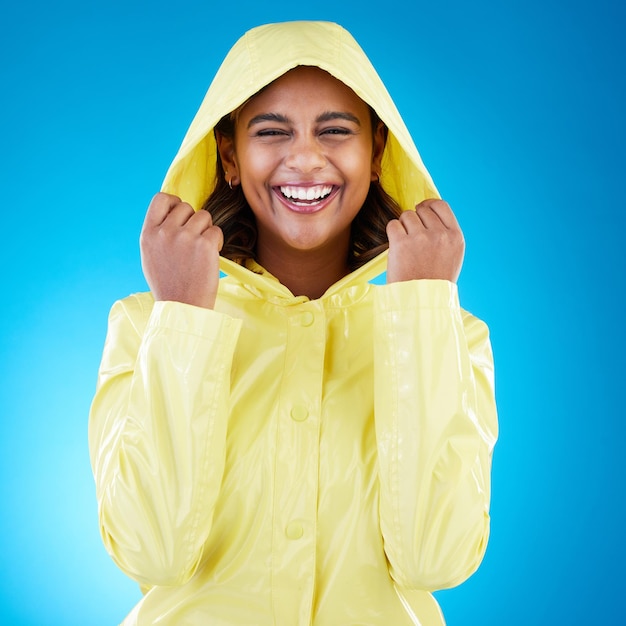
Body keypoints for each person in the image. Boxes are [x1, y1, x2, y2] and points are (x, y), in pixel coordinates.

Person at [89, 20, 498, 626]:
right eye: (271, 131)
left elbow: (435, 560)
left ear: (377, 154)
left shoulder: (448, 334)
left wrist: (420, 308)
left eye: (335, 131)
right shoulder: (148, 323)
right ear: (229, 156)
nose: (306, 157)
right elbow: (152, 551)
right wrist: (181, 316)